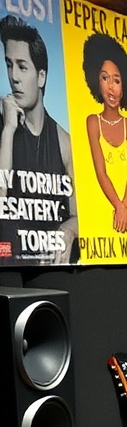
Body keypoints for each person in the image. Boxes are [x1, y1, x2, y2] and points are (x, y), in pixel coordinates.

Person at [0, 14, 78, 263]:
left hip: (51, 268)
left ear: (41, 76)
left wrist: (70, 230)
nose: (14, 76)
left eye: (22, 66)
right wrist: (8, 131)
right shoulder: (4, 128)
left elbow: (81, 214)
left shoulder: (63, 142)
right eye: (9, 64)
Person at [81, 31, 127, 234]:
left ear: (124, 86)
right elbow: (101, 172)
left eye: (116, 80)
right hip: (104, 215)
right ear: (96, 81)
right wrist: (119, 207)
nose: (111, 87)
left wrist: (125, 205)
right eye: (105, 78)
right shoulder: (93, 122)